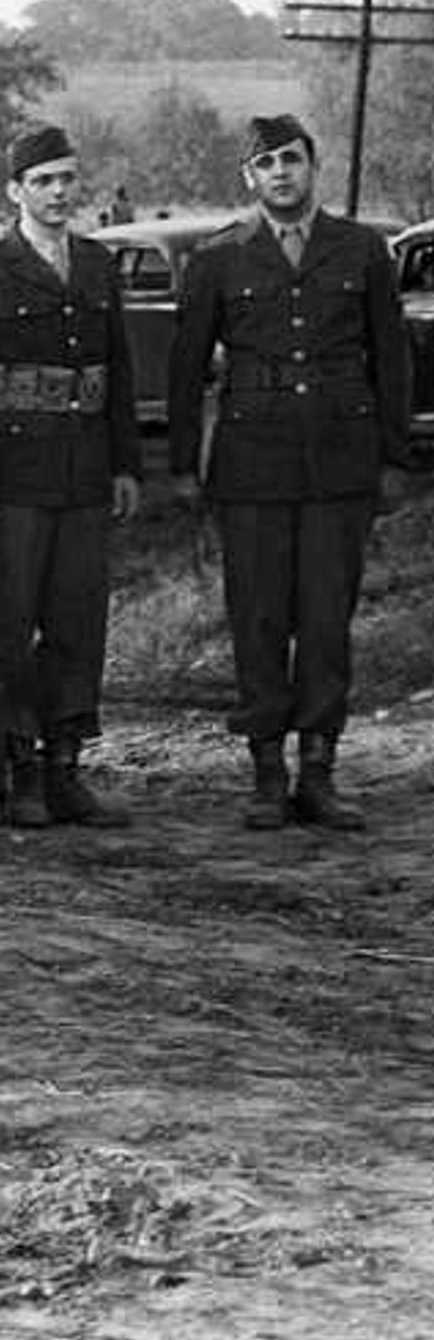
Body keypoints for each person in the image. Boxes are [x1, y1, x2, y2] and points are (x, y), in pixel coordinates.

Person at [164, 113, 411, 831]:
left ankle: (321, 772)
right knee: (260, 616)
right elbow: (185, 371)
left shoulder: (361, 249)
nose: (280, 172)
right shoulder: (219, 257)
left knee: (327, 619)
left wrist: (393, 456)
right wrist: (184, 464)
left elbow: (391, 358)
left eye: (292, 159)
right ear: (250, 176)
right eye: (266, 162)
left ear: (313, 166)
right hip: (252, 467)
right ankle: (267, 773)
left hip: (341, 459)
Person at [0, 124, 140, 831]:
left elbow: (115, 372)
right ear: (16, 191)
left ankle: (65, 766)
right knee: (11, 621)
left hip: (84, 472)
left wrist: (123, 463)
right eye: (43, 181)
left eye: (66, 179)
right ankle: (18, 767)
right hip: (13, 477)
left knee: (78, 622)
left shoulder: (94, 264)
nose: (58, 193)